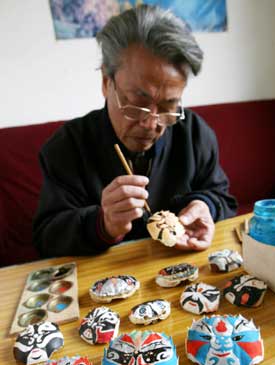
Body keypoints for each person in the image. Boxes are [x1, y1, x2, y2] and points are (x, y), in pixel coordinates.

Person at [33, 4, 237, 258]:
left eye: (168, 106)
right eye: (137, 103)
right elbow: (47, 237)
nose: (152, 124)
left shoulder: (194, 133)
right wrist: (103, 224)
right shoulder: (67, 147)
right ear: (107, 84)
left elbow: (223, 198)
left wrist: (206, 206)